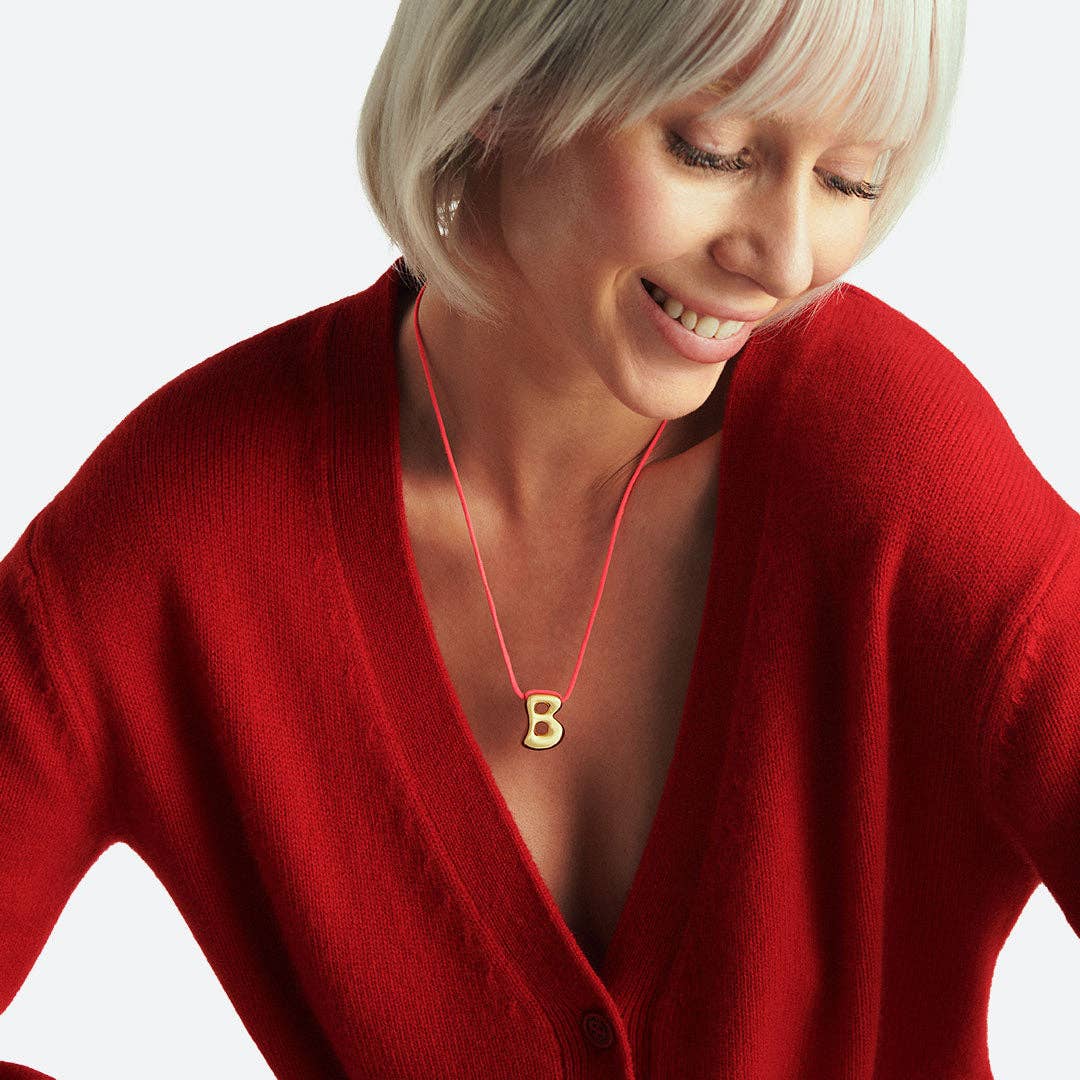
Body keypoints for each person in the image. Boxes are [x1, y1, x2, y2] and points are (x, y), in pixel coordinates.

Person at [1, 0, 1077, 1077]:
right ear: (505, 87)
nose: (787, 260)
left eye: (851, 180)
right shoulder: (184, 526)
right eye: (712, 151)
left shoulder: (900, 470)